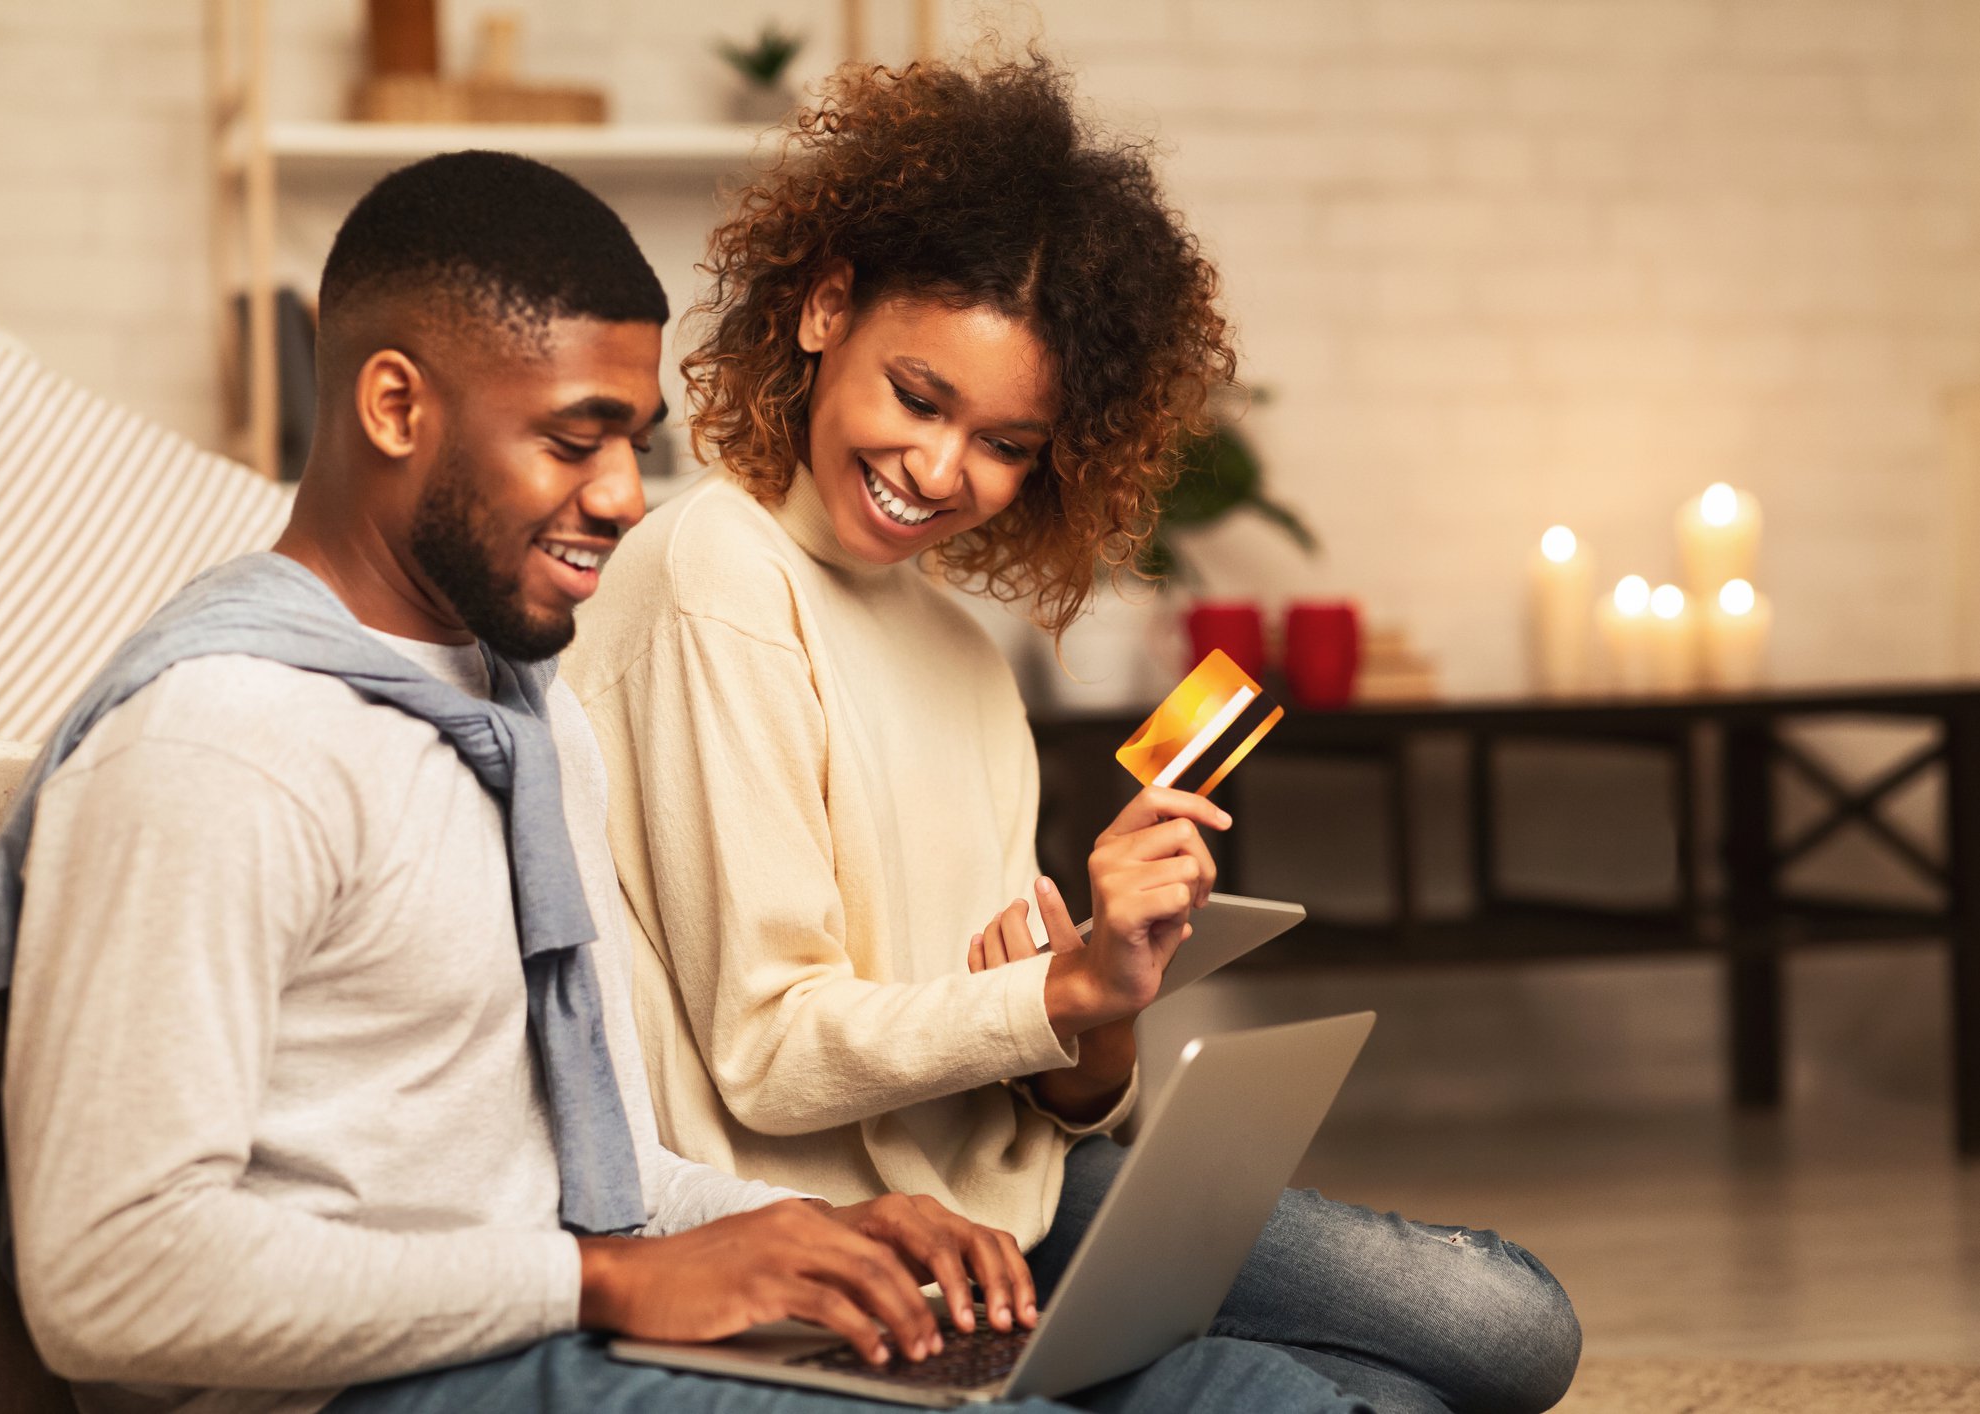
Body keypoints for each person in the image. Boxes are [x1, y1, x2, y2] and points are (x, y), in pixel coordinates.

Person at [0, 151, 1377, 1414]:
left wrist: (797, 1235)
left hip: (554, 1320)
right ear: (396, 404)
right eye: (573, 437)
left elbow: (584, 1160)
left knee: (1248, 1389)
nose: (624, 498)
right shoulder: (220, 745)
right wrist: (600, 1284)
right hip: (382, 1380)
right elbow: (107, 1284)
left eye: (631, 442)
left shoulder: (520, 721)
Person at [565, 58, 1582, 1414]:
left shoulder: (965, 656)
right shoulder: (715, 573)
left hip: (1017, 1198)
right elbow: (768, 1049)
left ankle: (1105, 1364)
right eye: (918, 398)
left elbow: (1020, 1078)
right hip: (821, 1220)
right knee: (1386, 1379)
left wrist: (1095, 1036)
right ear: (821, 309)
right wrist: (1057, 997)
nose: (940, 471)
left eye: (1004, 442)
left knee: (1506, 1325)